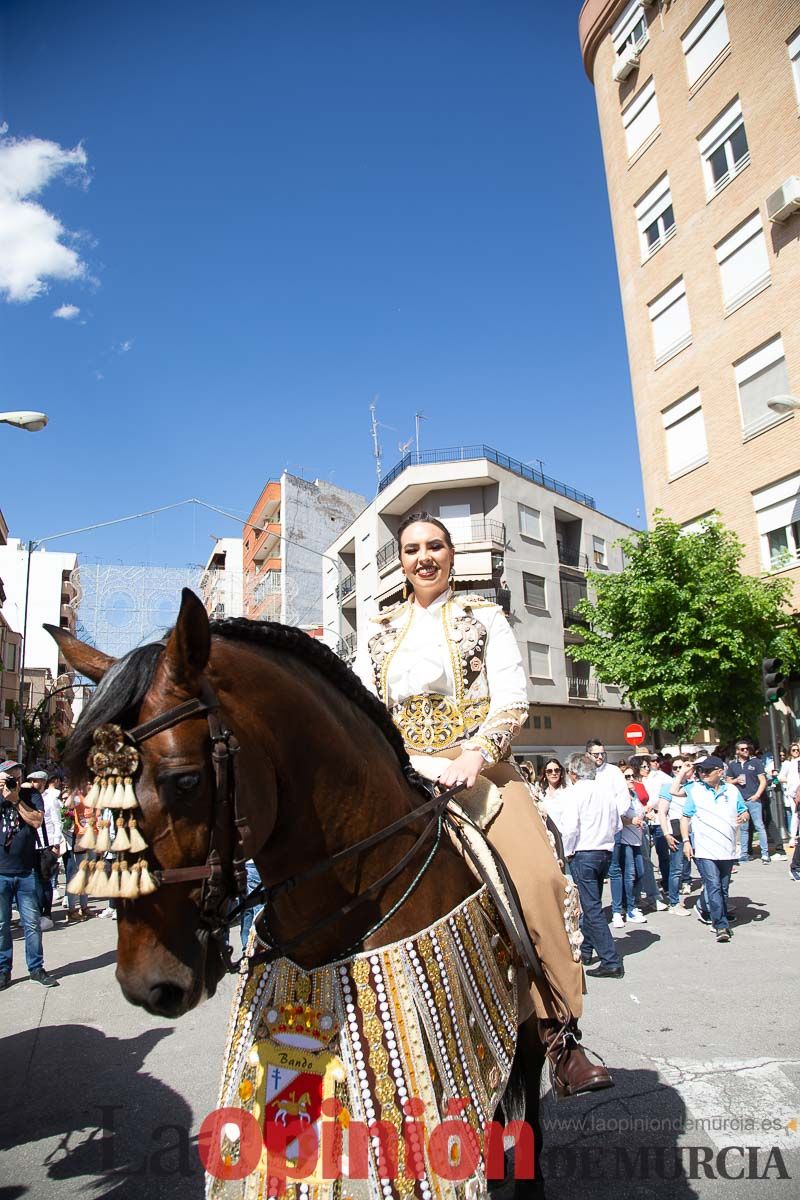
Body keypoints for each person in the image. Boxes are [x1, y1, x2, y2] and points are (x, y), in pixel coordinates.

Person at [354, 513, 612, 1097]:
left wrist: (473, 756)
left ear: (451, 555)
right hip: (403, 772)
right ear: (400, 560)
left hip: (478, 769)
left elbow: (513, 700)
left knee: (540, 878)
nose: (424, 557)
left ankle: (557, 1033)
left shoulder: (485, 617)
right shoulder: (378, 631)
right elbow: (367, 712)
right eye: (412, 548)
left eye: (435, 546)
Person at [560, 753, 629, 978]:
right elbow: (616, 823)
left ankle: (610, 961)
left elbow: (570, 828)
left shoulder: (574, 793)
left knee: (591, 909)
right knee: (593, 903)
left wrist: (566, 851)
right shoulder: (605, 792)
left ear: (573, 773)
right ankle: (587, 949)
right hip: (604, 851)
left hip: (584, 852)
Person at [677, 757, 749, 943]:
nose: (703, 773)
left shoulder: (732, 791)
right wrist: (686, 841)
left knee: (723, 887)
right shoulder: (695, 790)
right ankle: (721, 925)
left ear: (720, 771)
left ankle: (710, 910)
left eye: (708, 770)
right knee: (713, 885)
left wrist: (744, 815)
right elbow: (684, 815)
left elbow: (743, 810)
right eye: (701, 770)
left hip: (727, 848)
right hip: (704, 849)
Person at [0, 762, 59, 988]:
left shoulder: (30, 794)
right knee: (2, 925)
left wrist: (15, 799)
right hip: (1, 871)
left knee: (32, 923)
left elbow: (36, 821)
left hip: (26, 870)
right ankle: (3, 970)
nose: (14, 779)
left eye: (17, 774)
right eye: (9, 776)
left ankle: (36, 968)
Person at [659, 759, 694, 917]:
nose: (680, 770)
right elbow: (662, 812)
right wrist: (667, 833)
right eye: (676, 768)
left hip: (696, 829)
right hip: (677, 829)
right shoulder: (668, 787)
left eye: (683, 767)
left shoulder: (694, 786)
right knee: (676, 868)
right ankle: (674, 902)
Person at [726, 739, 770, 864]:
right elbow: (727, 782)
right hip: (740, 801)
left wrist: (757, 795)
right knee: (744, 828)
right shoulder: (733, 765)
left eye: (747, 749)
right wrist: (735, 781)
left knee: (759, 826)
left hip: (753, 799)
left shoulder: (755, 762)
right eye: (742, 749)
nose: (745, 751)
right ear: (737, 751)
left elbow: (763, 780)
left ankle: (765, 854)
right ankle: (744, 854)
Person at [64, 787, 92, 922]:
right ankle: (71, 909)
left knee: (87, 874)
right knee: (77, 874)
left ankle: (84, 906)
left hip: (94, 837)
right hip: (80, 838)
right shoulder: (77, 797)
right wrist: (74, 790)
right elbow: (67, 805)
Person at [779, 742, 800, 850]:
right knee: (795, 814)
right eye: (794, 750)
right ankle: (793, 837)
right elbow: (780, 777)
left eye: (797, 750)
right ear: (790, 752)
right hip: (793, 792)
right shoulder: (787, 763)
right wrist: (790, 781)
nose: (796, 752)